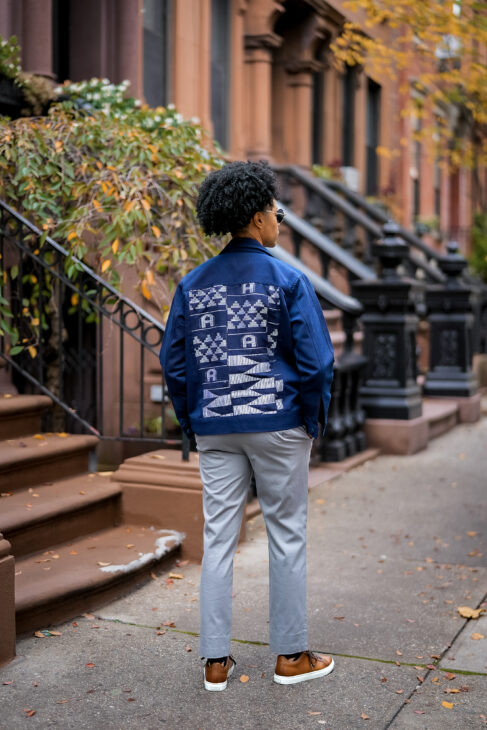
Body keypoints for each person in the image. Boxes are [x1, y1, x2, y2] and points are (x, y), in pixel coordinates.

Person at [160, 160, 335, 691]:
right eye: (277, 213)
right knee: (286, 535)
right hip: (278, 422)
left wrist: (193, 421)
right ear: (258, 218)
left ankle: (215, 662)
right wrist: (313, 419)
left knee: (217, 538)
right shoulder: (288, 279)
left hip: (215, 425)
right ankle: (290, 657)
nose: (279, 221)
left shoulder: (193, 284)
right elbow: (317, 362)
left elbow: (175, 361)